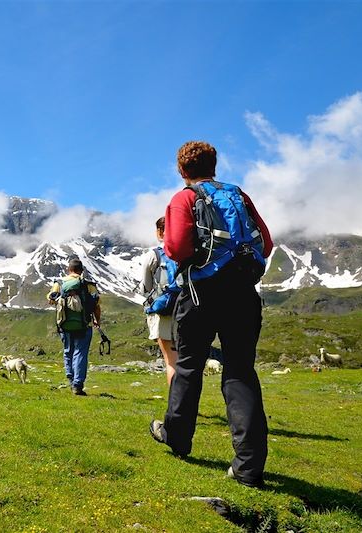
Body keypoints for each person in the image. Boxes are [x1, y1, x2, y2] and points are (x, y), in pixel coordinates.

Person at [148, 141, 273, 488]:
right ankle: (249, 466)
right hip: (244, 295)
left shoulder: (184, 199)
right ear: (214, 165)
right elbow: (266, 241)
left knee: (188, 366)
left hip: (200, 294)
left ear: (181, 169)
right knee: (240, 371)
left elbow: (176, 247)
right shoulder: (239, 196)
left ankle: (177, 438)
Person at [47, 257, 101, 396]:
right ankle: (78, 385)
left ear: (68, 270)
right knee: (80, 353)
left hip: (64, 325)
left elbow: (50, 299)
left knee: (68, 351)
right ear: (81, 271)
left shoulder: (59, 283)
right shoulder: (88, 284)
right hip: (84, 324)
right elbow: (96, 305)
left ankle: (71, 379)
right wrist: (97, 321)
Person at [138, 216, 179, 386]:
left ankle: (178, 407)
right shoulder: (190, 253)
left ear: (160, 232)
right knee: (188, 362)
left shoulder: (154, 255)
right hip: (188, 310)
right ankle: (191, 404)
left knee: (171, 362)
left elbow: (146, 287)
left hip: (164, 311)